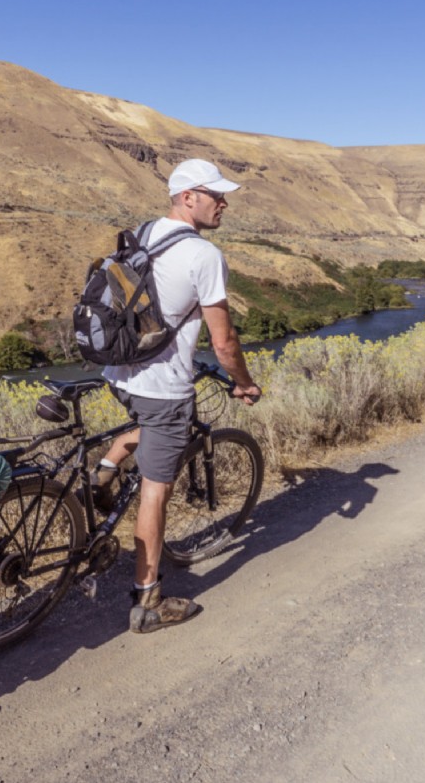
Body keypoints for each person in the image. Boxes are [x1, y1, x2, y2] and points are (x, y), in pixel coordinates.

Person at [96, 158, 262, 634]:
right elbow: (224, 342)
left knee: (151, 430)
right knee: (156, 489)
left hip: (119, 372)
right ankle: (148, 601)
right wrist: (244, 383)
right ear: (189, 197)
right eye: (217, 194)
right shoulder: (204, 256)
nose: (225, 203)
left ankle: (104, 473)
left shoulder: (146, 232)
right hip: (162, 386)